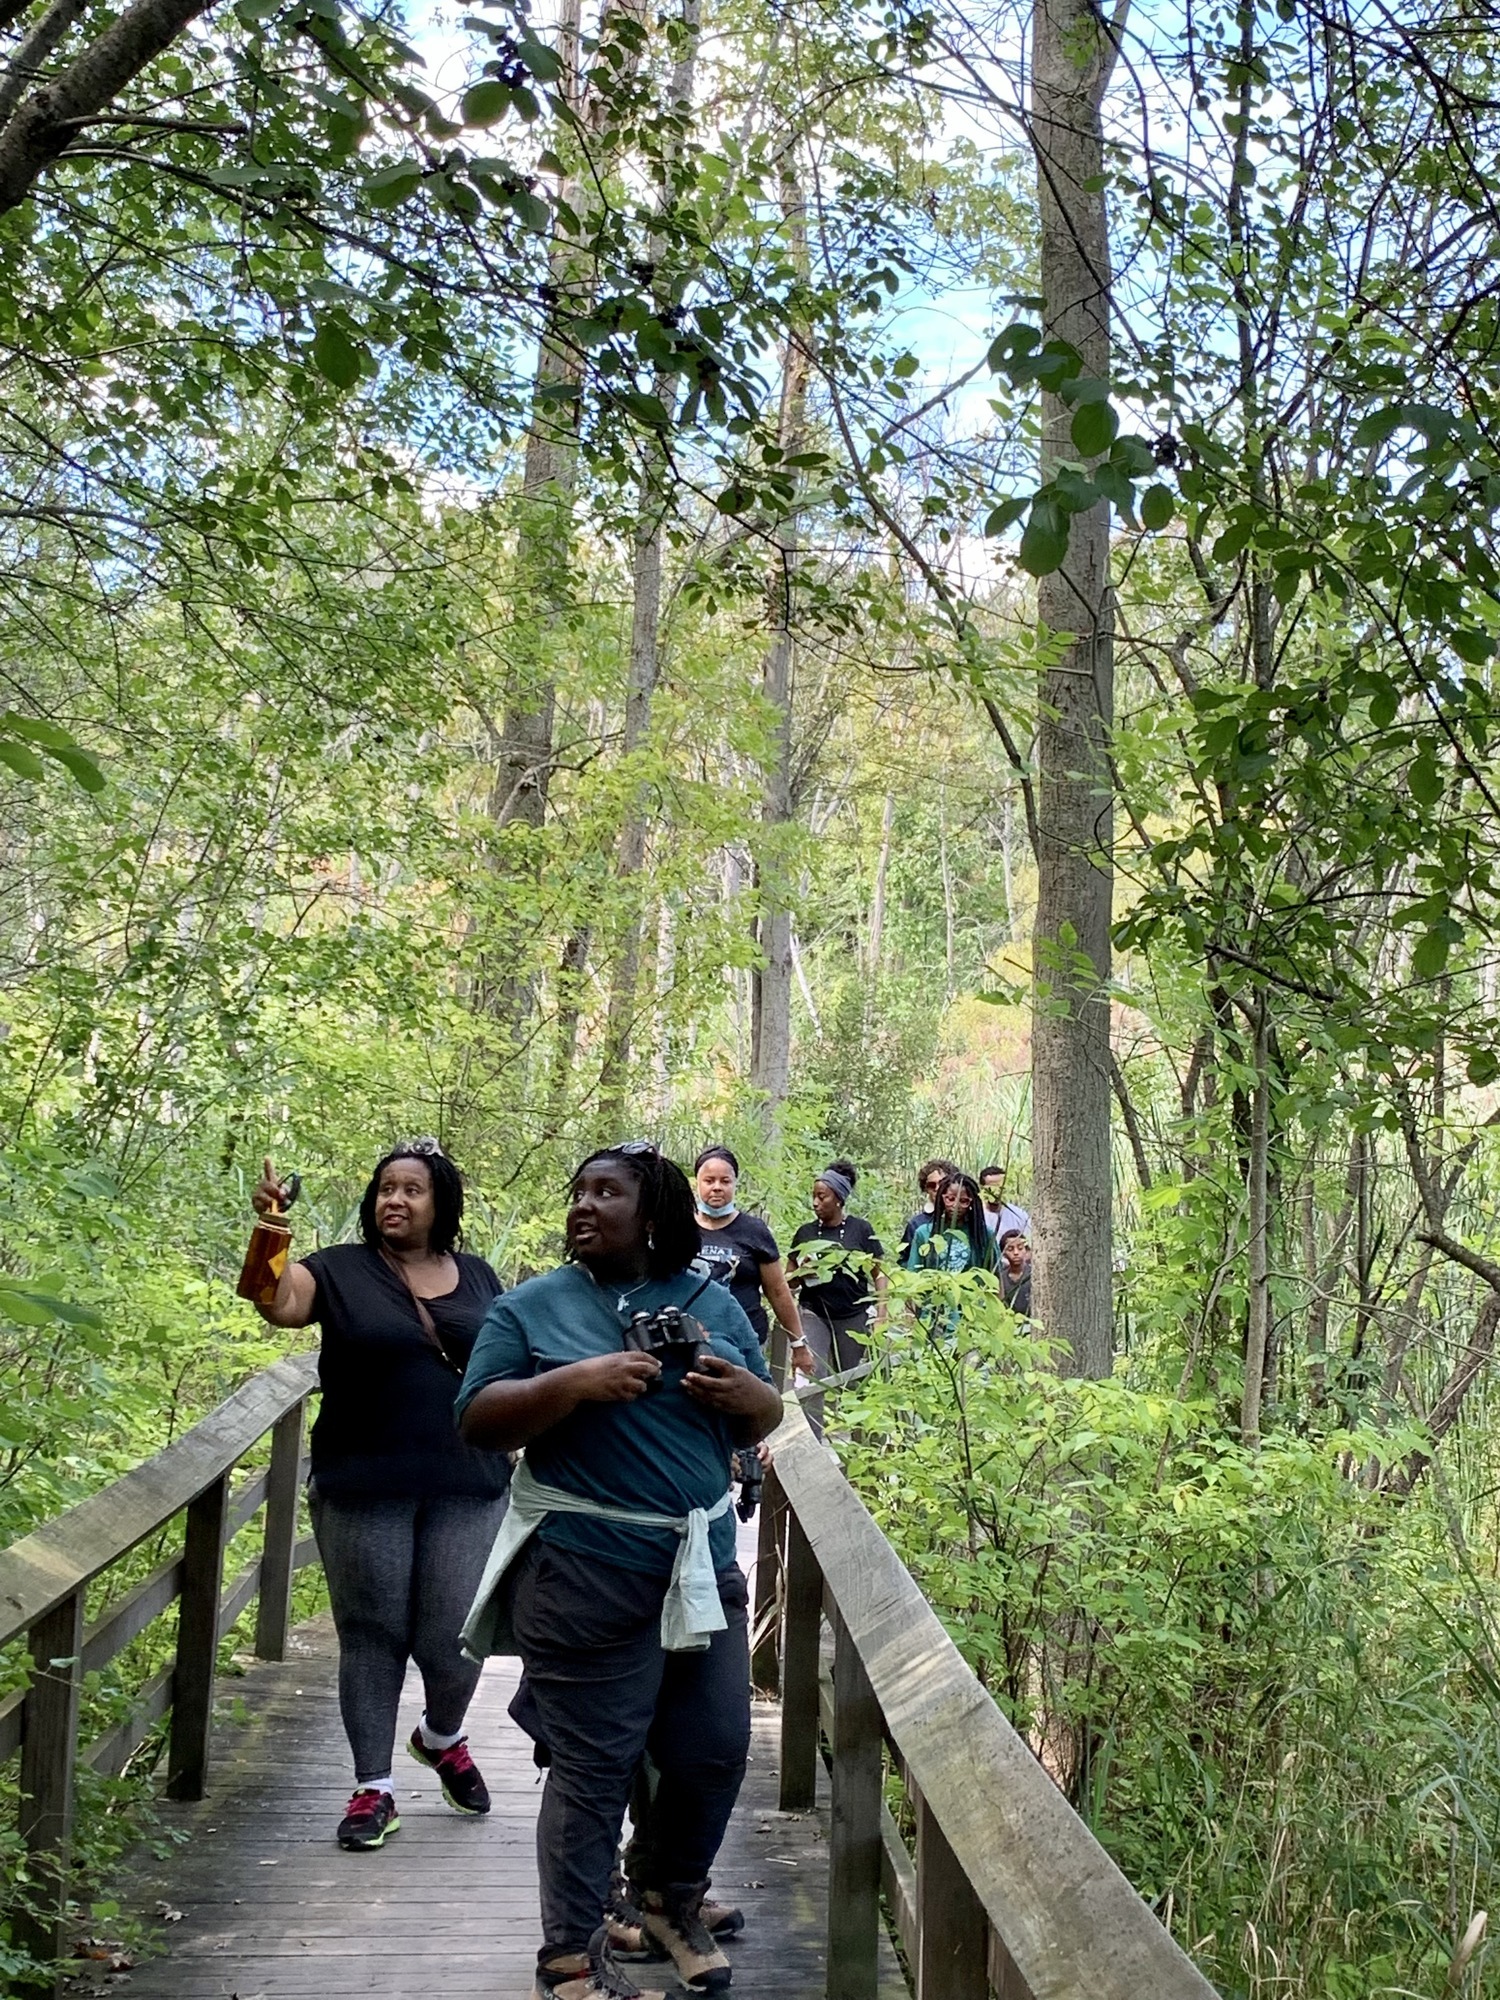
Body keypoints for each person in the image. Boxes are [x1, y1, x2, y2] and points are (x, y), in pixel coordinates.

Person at [456, 1142, 783, 2000]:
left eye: (609, 1193)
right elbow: (480, 1420)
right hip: (583, 1572)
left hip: (701, 1563)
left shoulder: (711, 1302)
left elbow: (766, 1413)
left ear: (658, 1216)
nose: (585, 1205)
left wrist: (746, 1401)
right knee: (595, 1767)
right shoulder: (531, 1307)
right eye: (580, 1191)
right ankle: (568, 1956)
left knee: (713, 1750)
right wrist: (574, 1383)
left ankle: (668, 1899)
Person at [247, 1141, 510, 1852]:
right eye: (386, 1188)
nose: (395, 1200)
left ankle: (443, 1736)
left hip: (470, 1483)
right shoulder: (338, 1270)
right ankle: (373, 1788)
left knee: (456, 1637)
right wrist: (270, 1231)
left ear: (440, 1203)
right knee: (371, 1637)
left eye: (412, 1190)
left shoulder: (480, 1276)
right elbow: (275, 1301)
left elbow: (518, 1358)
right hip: (363, 1485)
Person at [692, 1145, 812, 1375]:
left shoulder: (754, 1231)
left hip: (745, 1339)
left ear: (735, 1183)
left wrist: (798, 1344)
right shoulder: (680, 1229)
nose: (717, 1187)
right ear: (697, 1182)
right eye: (709, 1180)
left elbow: (777, 1291)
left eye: (725, 1181)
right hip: (691, 1338)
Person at [787, 1162, 885, 1374]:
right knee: (811, 1372)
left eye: (822, 1197)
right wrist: (801, 1273)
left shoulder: (860, 1229)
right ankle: (814, 1408)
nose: (815, 1203)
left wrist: (881, 1316)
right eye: (813, 1196)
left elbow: (880, 1274)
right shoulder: (805, 1233)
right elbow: (788, 1282)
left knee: (854, 1375)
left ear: (839, 1199)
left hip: (854, 1313)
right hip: (814, 1312)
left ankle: (849, 1408)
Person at [905, 1170, 994, 1276]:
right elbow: (913, 1274)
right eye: (950, 1199)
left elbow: (996, 1276)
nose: (956, 1205)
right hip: (935, 1291)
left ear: (971, 1203)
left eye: (963, 1201)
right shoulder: (924, 1233)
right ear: (941, 1199)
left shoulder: (984, 1234)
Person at [898, 1157, 960, 1263]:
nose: (937, 1188)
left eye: (942, 1183)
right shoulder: (917, 1224)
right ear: (925, 1188)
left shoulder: (969, 1220)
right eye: (932, 1185)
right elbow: (905, 1262)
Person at [979, 1163, 1031, 1245]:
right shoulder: (976, 1215)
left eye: (1000, 1187)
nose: (997, 1192)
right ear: (982, 1189)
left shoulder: (1019, 1216)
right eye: (992, 1188)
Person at [998, 1228, 1032, 1317]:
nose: (1016, 1253)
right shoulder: (1000, 1278)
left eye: (1020, 1248)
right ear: (1003, 1253)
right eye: (1010, 1249)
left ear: (1027, 1251)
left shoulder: (1034, 1276)